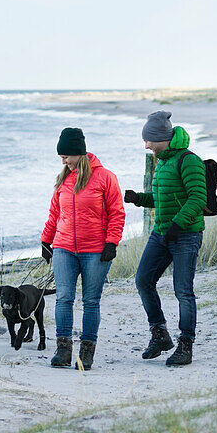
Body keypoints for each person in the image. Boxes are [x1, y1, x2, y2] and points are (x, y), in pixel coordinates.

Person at [123, 110, 206, 367]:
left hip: (185, 235)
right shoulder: (163, 161)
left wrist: (178, 226)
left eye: (148, 139)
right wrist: (139, 198)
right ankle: (159, 334)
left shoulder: (188, 160)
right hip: (161, 233)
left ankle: (185, 345)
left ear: (161, 137)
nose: (145, 144)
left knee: (183, 291)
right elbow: (162, 200)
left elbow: (197, 198)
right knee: (143, 281)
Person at [40, 127, 125, 370]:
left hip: (95, 251)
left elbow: (117, 213)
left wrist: (112, 242)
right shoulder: (64, 179)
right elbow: (55, 213)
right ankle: (63, 350)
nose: (64, 161)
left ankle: (86, 352)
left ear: (79, 153)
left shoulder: (105, 177)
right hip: (64, 248)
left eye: (66, 156)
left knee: (91, 301)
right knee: (64, 298)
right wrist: (46, 240)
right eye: (61, 157)